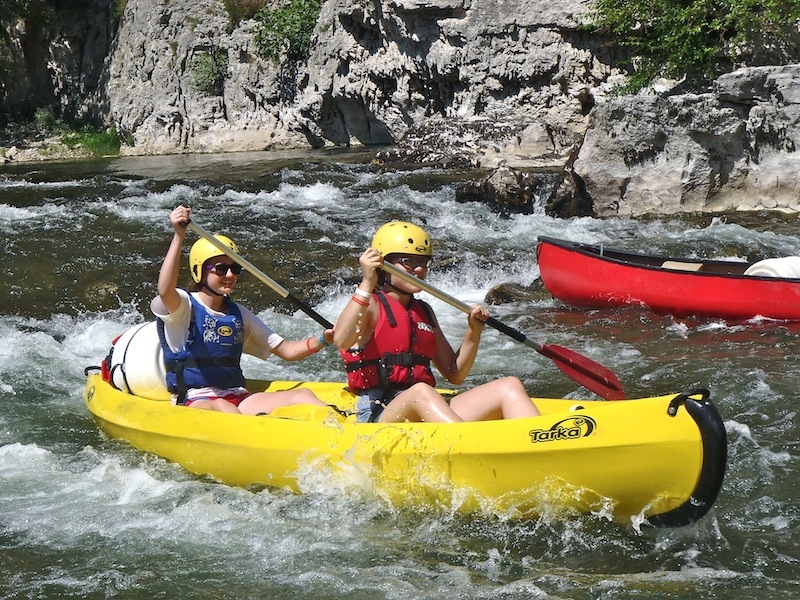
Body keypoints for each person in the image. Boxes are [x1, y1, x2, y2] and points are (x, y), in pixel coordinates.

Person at [333, 221, 541, 423]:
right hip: (379, 412)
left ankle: (540, 444)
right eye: (408, 262)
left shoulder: (424, 311)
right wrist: (367, 281)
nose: (418, 269)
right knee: (421, 392)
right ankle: (465, 446)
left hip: (421, 405)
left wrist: (473, 331)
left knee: (508, 386)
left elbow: (454, 373)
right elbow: (341, 339)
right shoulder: (370, 304)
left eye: (423, 262)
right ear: (384, 266)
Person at [152, 205, 332, 414]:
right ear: (198, 271)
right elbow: (165, 290)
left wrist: (324, 339)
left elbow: (287, 351)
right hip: (196, 399)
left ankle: (346, 430)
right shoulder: (184, 306)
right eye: (221, 268)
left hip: (237, 395)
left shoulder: (238, 314)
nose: (230, 275)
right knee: (223, 406)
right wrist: (178, 236)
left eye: (235, 268)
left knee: (303, 395)